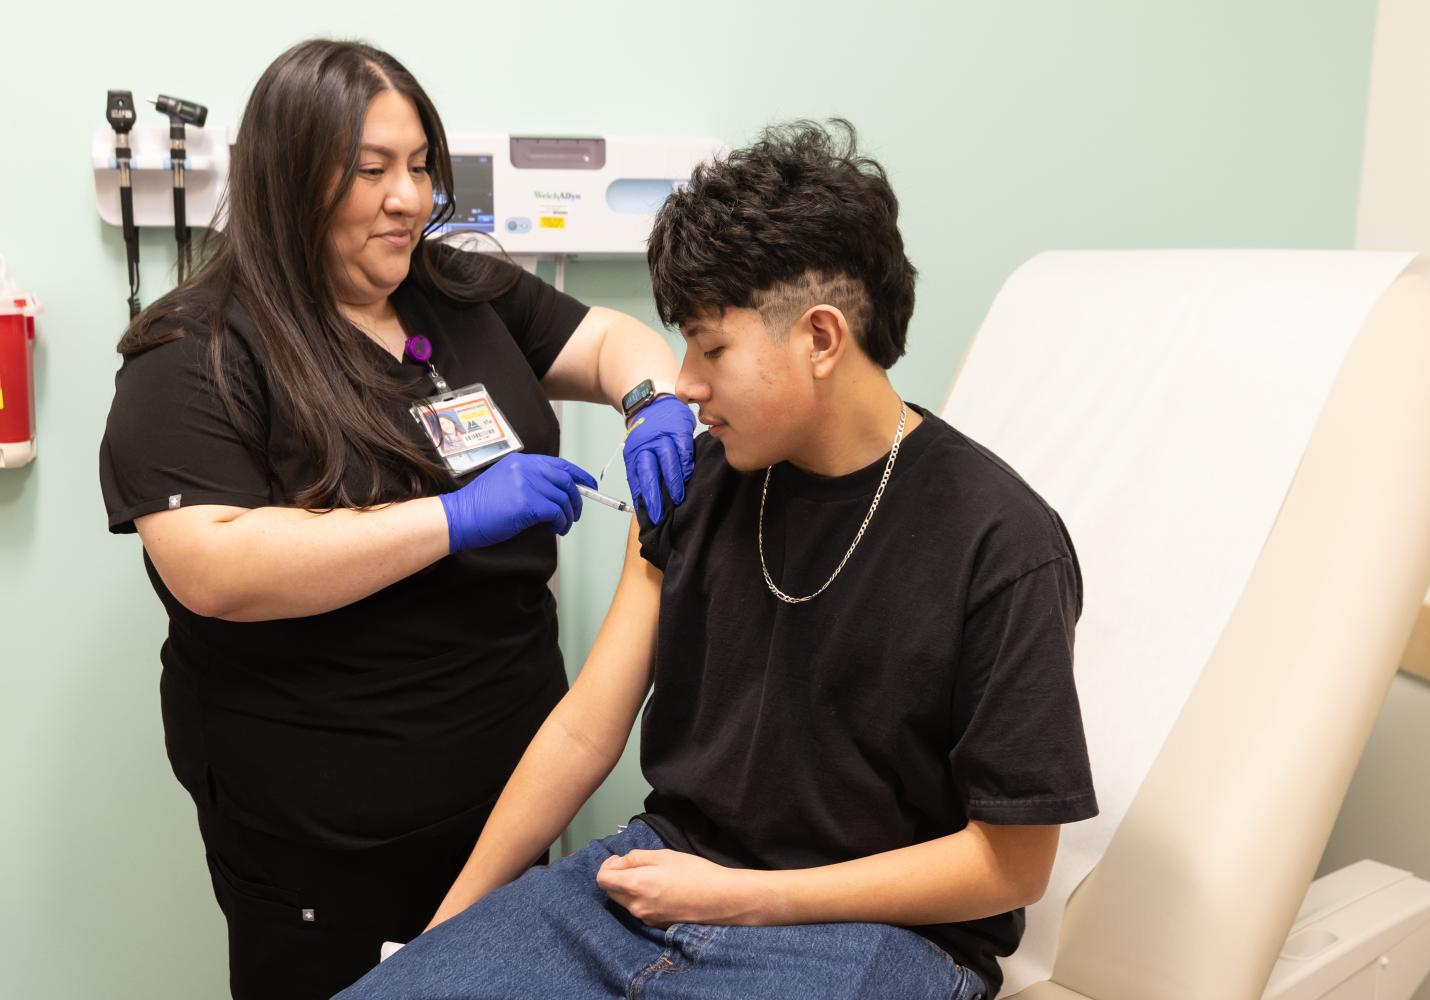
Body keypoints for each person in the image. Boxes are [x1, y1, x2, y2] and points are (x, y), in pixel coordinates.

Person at [336, 120, 1097, 1000]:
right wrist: (445, 935)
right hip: (655, 886)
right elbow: (587, 728)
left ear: (819, 339)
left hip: (880, 937)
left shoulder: (999, 545)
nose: (683, 384)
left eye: (711, 347)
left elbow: (1011, 864)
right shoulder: (694, 489)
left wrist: (744, 900)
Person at [97, 38, 695, 1000]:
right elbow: (214, 565)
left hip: (509, 801)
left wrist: (651, 401)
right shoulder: (195, 351)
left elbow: (615, 341)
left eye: (420, 166)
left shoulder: (456, 288)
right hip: (324, 846)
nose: (408, 197)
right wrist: (452, 518)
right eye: (370, 170)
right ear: (291, 178)